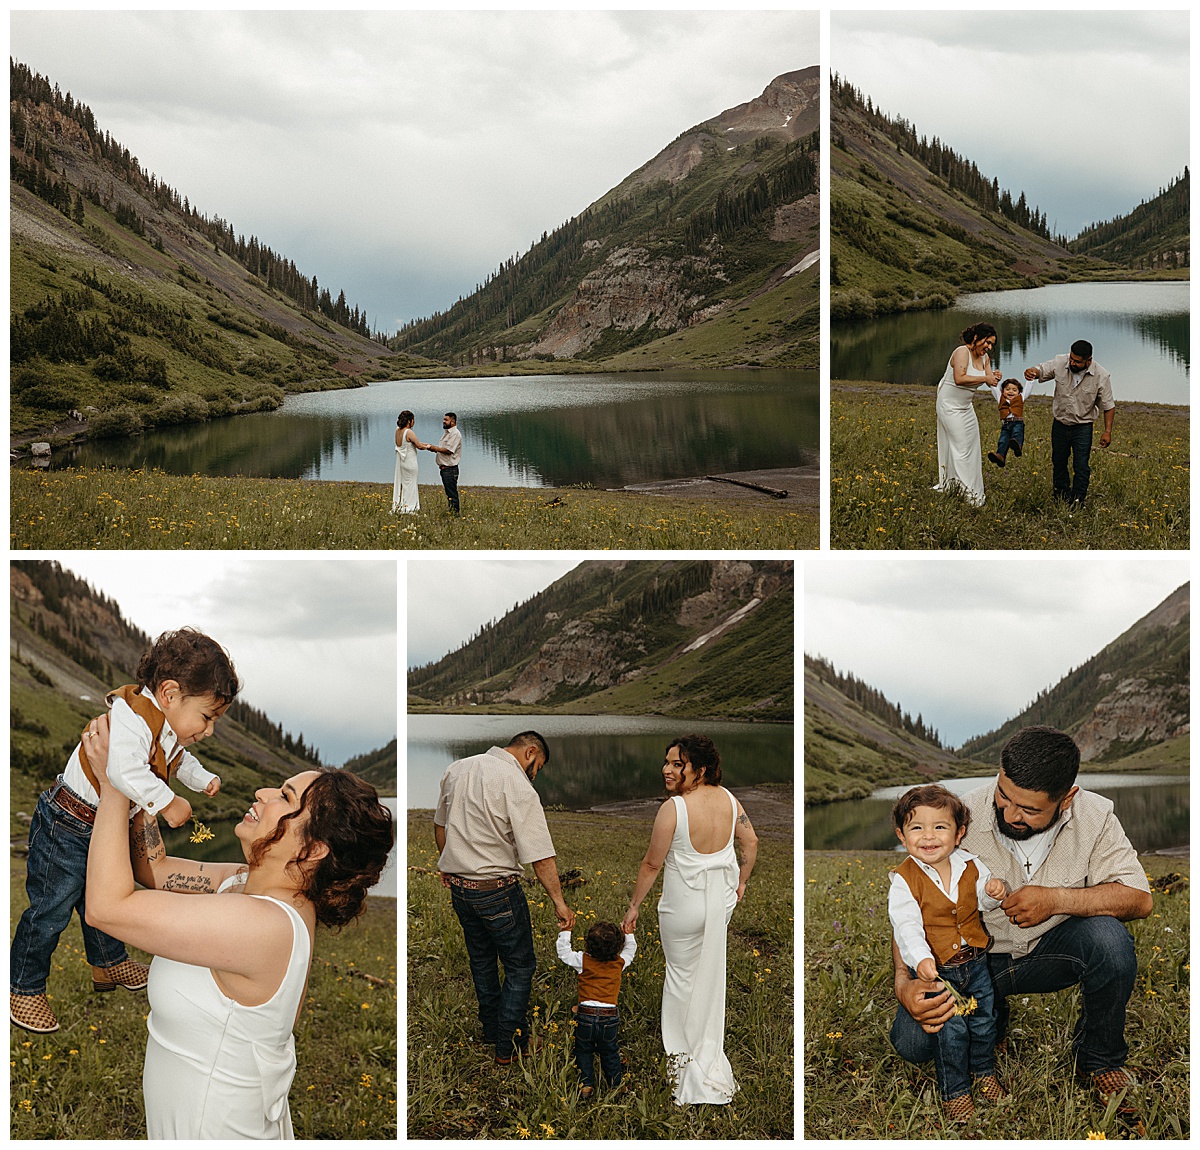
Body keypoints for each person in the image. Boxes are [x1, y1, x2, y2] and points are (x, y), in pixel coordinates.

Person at [82, 717, 394, 1139]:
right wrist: (143, 780)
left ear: (313, 847)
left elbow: (106, 908)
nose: (262, 793)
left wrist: (114, 782)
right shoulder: (242, 884)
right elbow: (155, 868)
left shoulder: (265, 926)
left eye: (284, 797)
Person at [890, 726, 1153, 1114]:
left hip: (1050, 954)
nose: (1010, 814)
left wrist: (1056, 900)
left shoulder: (1096, 816)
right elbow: (909, 905)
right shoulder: (955, 816)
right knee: (913, 1044)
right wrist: (903, 983)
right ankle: (993, 1015)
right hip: (969, 964)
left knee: (1110, 942)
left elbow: (1140, 899)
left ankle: (1100, 1058)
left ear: (1067, 799)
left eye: (1030, 809)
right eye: (1003, 795)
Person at [10, 628, 238, 1035]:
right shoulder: (132, 718)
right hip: (68, 822)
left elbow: (177, 759)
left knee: (101, 893)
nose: (209, 731)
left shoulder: (162, 727)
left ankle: (108, 963)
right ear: (169, 693)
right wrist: (168, 802)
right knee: (51, 908)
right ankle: (22, 988)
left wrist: (203, 779)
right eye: (207, 717)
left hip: (96, 823)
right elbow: (123, 771)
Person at [622, 735, 758, 1105]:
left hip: (683, 909)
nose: (667, 769)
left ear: (698, 769)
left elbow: (651, 864)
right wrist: (741, 882)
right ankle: (705, 1043)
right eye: (666, 762)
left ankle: (681, 1052)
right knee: (708, 973)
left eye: (677, 764)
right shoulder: (730, 800)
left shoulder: (674, 809)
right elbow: (751, 843)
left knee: (680, 977)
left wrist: (634, 906)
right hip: (720, 905)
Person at [433, 732, 576, 1064]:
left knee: (482, 961)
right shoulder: (517, 783)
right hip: (498, 891)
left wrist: (449, 863)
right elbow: (540, 855)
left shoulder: (456, 769)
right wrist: (559, 902)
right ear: (529, 752)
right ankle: (509, 1045)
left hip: (461, 890)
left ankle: (490, 1029)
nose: (534, 773)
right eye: (537, 766)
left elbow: (440, 826)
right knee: (520, 965)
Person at [888, 784, 1009, 1122]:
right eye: (917, 828)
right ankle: (956, 1090)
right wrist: (920, 959)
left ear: (959, 834)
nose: (929, 836)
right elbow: (906, 925)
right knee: (951, 1031)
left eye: (940, 827)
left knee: (984, 1021)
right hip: (939, 971)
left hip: (976, 963)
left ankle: (984, 1073)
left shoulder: (970, 864)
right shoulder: (903, 879)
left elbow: (982, 903)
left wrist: (991, 892)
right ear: (902, 834)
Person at [1023, 340, 1115, 506]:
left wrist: (1107, 431)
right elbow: (1042, 369)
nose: (1072, 363)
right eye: (1072, 359)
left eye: (1077, 361)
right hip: (1060, 423)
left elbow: (1108, 406)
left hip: (1083, 427)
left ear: (1089, 360)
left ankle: (1078, 500)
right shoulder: (1060, 362)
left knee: (1081, 465)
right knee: (1058, 461)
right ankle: (1060, 495)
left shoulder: (1101, 375)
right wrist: (1033, 372)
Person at [556, 920, 637, 1099]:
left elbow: (564, 953)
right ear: (618, 946)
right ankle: (616, 1085)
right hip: (609, 1017)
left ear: (587, 944)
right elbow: (631, 951)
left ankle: (586, 1085)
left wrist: (566, 931)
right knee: (610, 1051)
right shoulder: (619, 963)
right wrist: (629, 933)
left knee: (583, 1050)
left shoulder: (582, 960)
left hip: (585, 1015)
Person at [934, 321, 1002, 507]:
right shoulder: (962, 352)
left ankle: (959, 486)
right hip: (949, 404)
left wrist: (994, 377)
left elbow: (989, 381)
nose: (988, 347)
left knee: (972, 447)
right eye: (987, 342)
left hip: (966, 406)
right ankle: (969, 495)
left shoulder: (985, 358)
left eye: (991, 345)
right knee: (961, 446)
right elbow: (959, 378)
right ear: (975, 338)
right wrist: (985, 378)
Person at [986, 376, 1036, 468]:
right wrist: (993, 380)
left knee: (1017, 434)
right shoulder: (1000, 398)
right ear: (1002, 391)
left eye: (1014, 390)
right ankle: (1000, 456)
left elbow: (1028, 389)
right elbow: (994, 388)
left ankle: (1017, 447)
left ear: (1019, 392)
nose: (1010, 392)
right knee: (1002, 440)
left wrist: (1030, 380)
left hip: (1017, 422)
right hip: (1005, 424)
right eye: (1007, 389)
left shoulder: (1021, 397)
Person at [392, 410, 431, 514]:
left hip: (402, 462)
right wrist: (428, 447)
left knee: (405, 484)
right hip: (410, 462)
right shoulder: (409, 432)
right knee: (411, 483)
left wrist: (422, 443)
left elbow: (409, 443)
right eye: (413, 420)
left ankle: (404, 503)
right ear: (409, 421)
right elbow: (418, 446)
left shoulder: (397, 431)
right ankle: (410, 506)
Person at [429, 411, 463, 514]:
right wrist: (433, 448)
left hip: (450, 469)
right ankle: (452, 512)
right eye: (444, 419)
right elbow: (443, 448)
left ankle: (455, 514)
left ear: (452, 422)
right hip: (445, 469)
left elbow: (449, 450)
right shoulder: (447, 434)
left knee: (452, 494)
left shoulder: (455, 434)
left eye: (446, 420)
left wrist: (435, 448)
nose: (443, 421)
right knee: (449, 493)